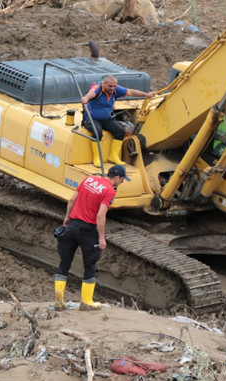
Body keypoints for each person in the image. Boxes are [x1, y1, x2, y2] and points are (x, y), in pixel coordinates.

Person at [53, 164, 130, 311]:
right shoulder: (109, 191)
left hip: (72, 225)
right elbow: (100, 215)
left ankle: (59, 301)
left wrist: (67, 219)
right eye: (122, 180)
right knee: (90, 265)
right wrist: (101, 238)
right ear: (117, 178)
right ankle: (87, 302)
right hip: (87, 230)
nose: (122, 182)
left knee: (64, 264)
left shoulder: (89, 179)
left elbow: (71, 200)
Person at [81, 74, 155, 167]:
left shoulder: (116, 90)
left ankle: (113, 156)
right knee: (97, 132)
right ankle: (97, 158)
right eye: (110, 86)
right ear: (104, 83)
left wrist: (146, 95)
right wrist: (86, 98)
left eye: (114, 86)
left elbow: (131, 92)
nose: (112, 88)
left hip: (106, 118)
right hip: (91, 118)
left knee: (120, 131)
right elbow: (91, 94)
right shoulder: (98, 88)